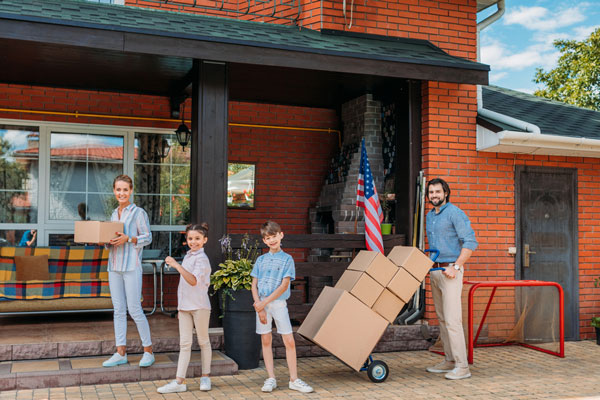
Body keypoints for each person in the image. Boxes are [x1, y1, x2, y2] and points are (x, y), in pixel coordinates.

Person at [251, 221, 314, 394]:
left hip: (278, 304)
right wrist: (259, 306)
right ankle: (271, 378)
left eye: (274, 236)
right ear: (264, 240)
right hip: (261, 305)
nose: (271, 240)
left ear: (281, 235)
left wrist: (263, 303)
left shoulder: (287, 259)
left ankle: (294, 379)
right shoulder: (261, 260)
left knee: (289, 340)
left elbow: (284, 286)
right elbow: (253, 284)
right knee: (265, 340)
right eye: (268, 238)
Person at [425, 178, 478, 380]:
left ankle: (463, 367)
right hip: (435, 272)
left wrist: (456, 267)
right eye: (431, 192)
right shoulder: (430, 216)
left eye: (438, 192)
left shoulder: (455, 213)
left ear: (446, 193)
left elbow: (470, 241)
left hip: (451, 272)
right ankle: (449, 361)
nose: (434, 195)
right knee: (443, 319)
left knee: (453, 320)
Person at [102, 174, 155, 368]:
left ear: (131, 191)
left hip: (131, 266)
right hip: (114, 266)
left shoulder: (138, 213)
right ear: (114, 191)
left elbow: (148, 237)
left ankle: (148, 351)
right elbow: (112, 243)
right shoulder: (113, 214)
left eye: (125, 189)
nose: (121, 193)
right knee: (118, 310)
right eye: (118, 189)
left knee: (134, 309)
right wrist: (106, 241)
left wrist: (130, 238)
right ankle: (120, 352)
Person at [157, 223, 212, 394]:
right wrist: (180, 308)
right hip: (185, 307)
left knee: (203, 341)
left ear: (205, 240)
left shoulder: (202, 259)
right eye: (190, 238)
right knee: (185, 344)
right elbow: (183, 287)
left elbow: (193, 280)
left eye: (197, 238)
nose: (193, 242)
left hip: (200, 306)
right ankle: (179, 381)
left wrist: (176, 265)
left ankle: (206, 377)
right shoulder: (188, 256)